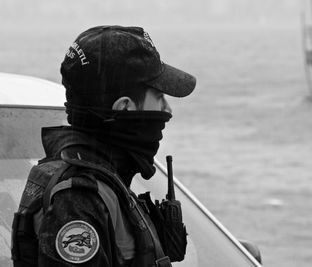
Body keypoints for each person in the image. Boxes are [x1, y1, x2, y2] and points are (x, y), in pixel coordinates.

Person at [11, 25, 196, 267]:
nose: (167, 110)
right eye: (159, 98)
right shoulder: (79, 199)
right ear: (125, 108)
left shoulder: (105, 180)